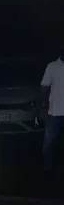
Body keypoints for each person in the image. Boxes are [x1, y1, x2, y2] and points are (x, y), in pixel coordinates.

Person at [41, 48, 64, 178]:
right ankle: (48, 170)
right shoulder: (52, 66)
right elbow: (44, 87)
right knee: (49, 143)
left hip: (55, 112)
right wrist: (43, 106)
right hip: (54, 112)